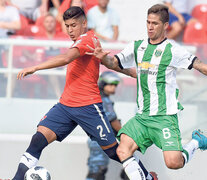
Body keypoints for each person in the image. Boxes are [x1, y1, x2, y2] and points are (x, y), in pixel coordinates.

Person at [12, 6, 148, 180]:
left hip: (88, 106)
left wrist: (36, 67)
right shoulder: (82, 41)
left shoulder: (88, 39)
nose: (70, 30)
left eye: (73, 25)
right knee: (37, 140)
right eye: (67, 26)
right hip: (66, 105)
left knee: (115, 152)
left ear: (84, 23)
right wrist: (132, 73)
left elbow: (66, 58)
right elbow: (110, 63)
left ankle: (146, 176)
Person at [87, 4, 207, 180]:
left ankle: (197, 141)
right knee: (122, 149)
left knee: (173, 162)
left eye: (155, 23)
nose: (150, 27)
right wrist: (103, 58)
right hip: (142, 118)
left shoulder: (173, 50)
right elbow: (115, 63)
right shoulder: (137, 46)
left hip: (164, 117)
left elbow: (200, 66)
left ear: (166, 25)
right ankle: (148, 178)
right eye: (148, 22)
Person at [86, 71, 129, 180]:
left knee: (99, 170)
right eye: (111, 84)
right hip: (100, 139)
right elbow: (112, 120)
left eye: (115, 85)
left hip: (99, 138)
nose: (114, 88)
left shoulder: (100, 98)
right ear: (103, 84)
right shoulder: (103, 100)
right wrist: (126, 134)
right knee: (97, 171)